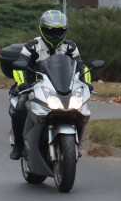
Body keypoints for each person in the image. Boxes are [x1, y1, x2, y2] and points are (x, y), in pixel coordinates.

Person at [9, 10, 92, 160]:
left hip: (63, 87)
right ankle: (19, 145)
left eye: (60, 31)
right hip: (34, 86)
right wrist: (22, 84)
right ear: (42, 29)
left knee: (80, 110)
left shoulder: (70, 47)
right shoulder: (31, 46)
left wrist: (87, 83)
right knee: (19, 108)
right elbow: (19, 67)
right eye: (50, 31)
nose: (55, 35)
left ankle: (74, 145)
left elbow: (82, 66)